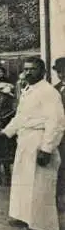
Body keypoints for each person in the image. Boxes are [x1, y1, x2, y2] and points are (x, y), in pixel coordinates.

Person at [0, 57, 64, 230]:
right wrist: (6, 132)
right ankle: (23, 216)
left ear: (43, 72)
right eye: (26, 69)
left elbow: (56, 122)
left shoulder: (48, 92)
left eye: (33, 69)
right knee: (23, 181)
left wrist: (47, 148)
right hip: (25, 140)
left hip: (40, 140)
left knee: (41, 184)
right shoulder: (28, 90)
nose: (28, 72)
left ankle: (43, 226)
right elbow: (20, 117)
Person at [51, 57, 65, 213]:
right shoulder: (54, 89)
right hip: (59, 135)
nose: (62, 75)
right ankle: (59, 197)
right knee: (60, 166)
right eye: (59, 72)